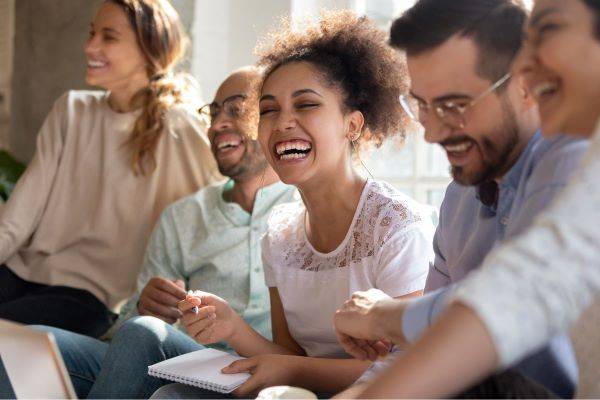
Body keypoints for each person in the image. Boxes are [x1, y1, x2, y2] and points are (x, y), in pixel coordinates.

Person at [158, 10, 435, 399]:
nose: (283, 122)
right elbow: (291, 358)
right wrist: (233, 327)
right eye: (269, 110)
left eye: (305, 105)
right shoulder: (281, 235)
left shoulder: (398, 226)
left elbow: (407, 369)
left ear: (352, 125)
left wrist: (288, 368)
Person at [332, 0, 600, 398]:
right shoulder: (459, 200)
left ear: (524, 84)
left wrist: (383, 316)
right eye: (422, 105)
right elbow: (422, 347)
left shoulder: (573, 157)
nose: (433, 133)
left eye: (454, 106)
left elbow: (515, 296)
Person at [0, 66, 297, 399]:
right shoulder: (184, 215)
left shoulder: (304, 208)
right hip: (181, 357)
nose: (216, 125)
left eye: (235, 109)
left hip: (258, 373)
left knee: (145, 335)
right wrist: (145, 306)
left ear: (272, 117)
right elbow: (128, 326)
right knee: (21, 348)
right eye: (212, 114)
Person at [0, 0, 219, 338]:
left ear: (150, 48)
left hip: (90, 300)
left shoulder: (179, 126)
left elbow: (210, 216)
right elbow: (18, 217)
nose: (90, 46)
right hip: (17, 273)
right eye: (91, 34)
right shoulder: (71, 110)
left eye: (109, 37)